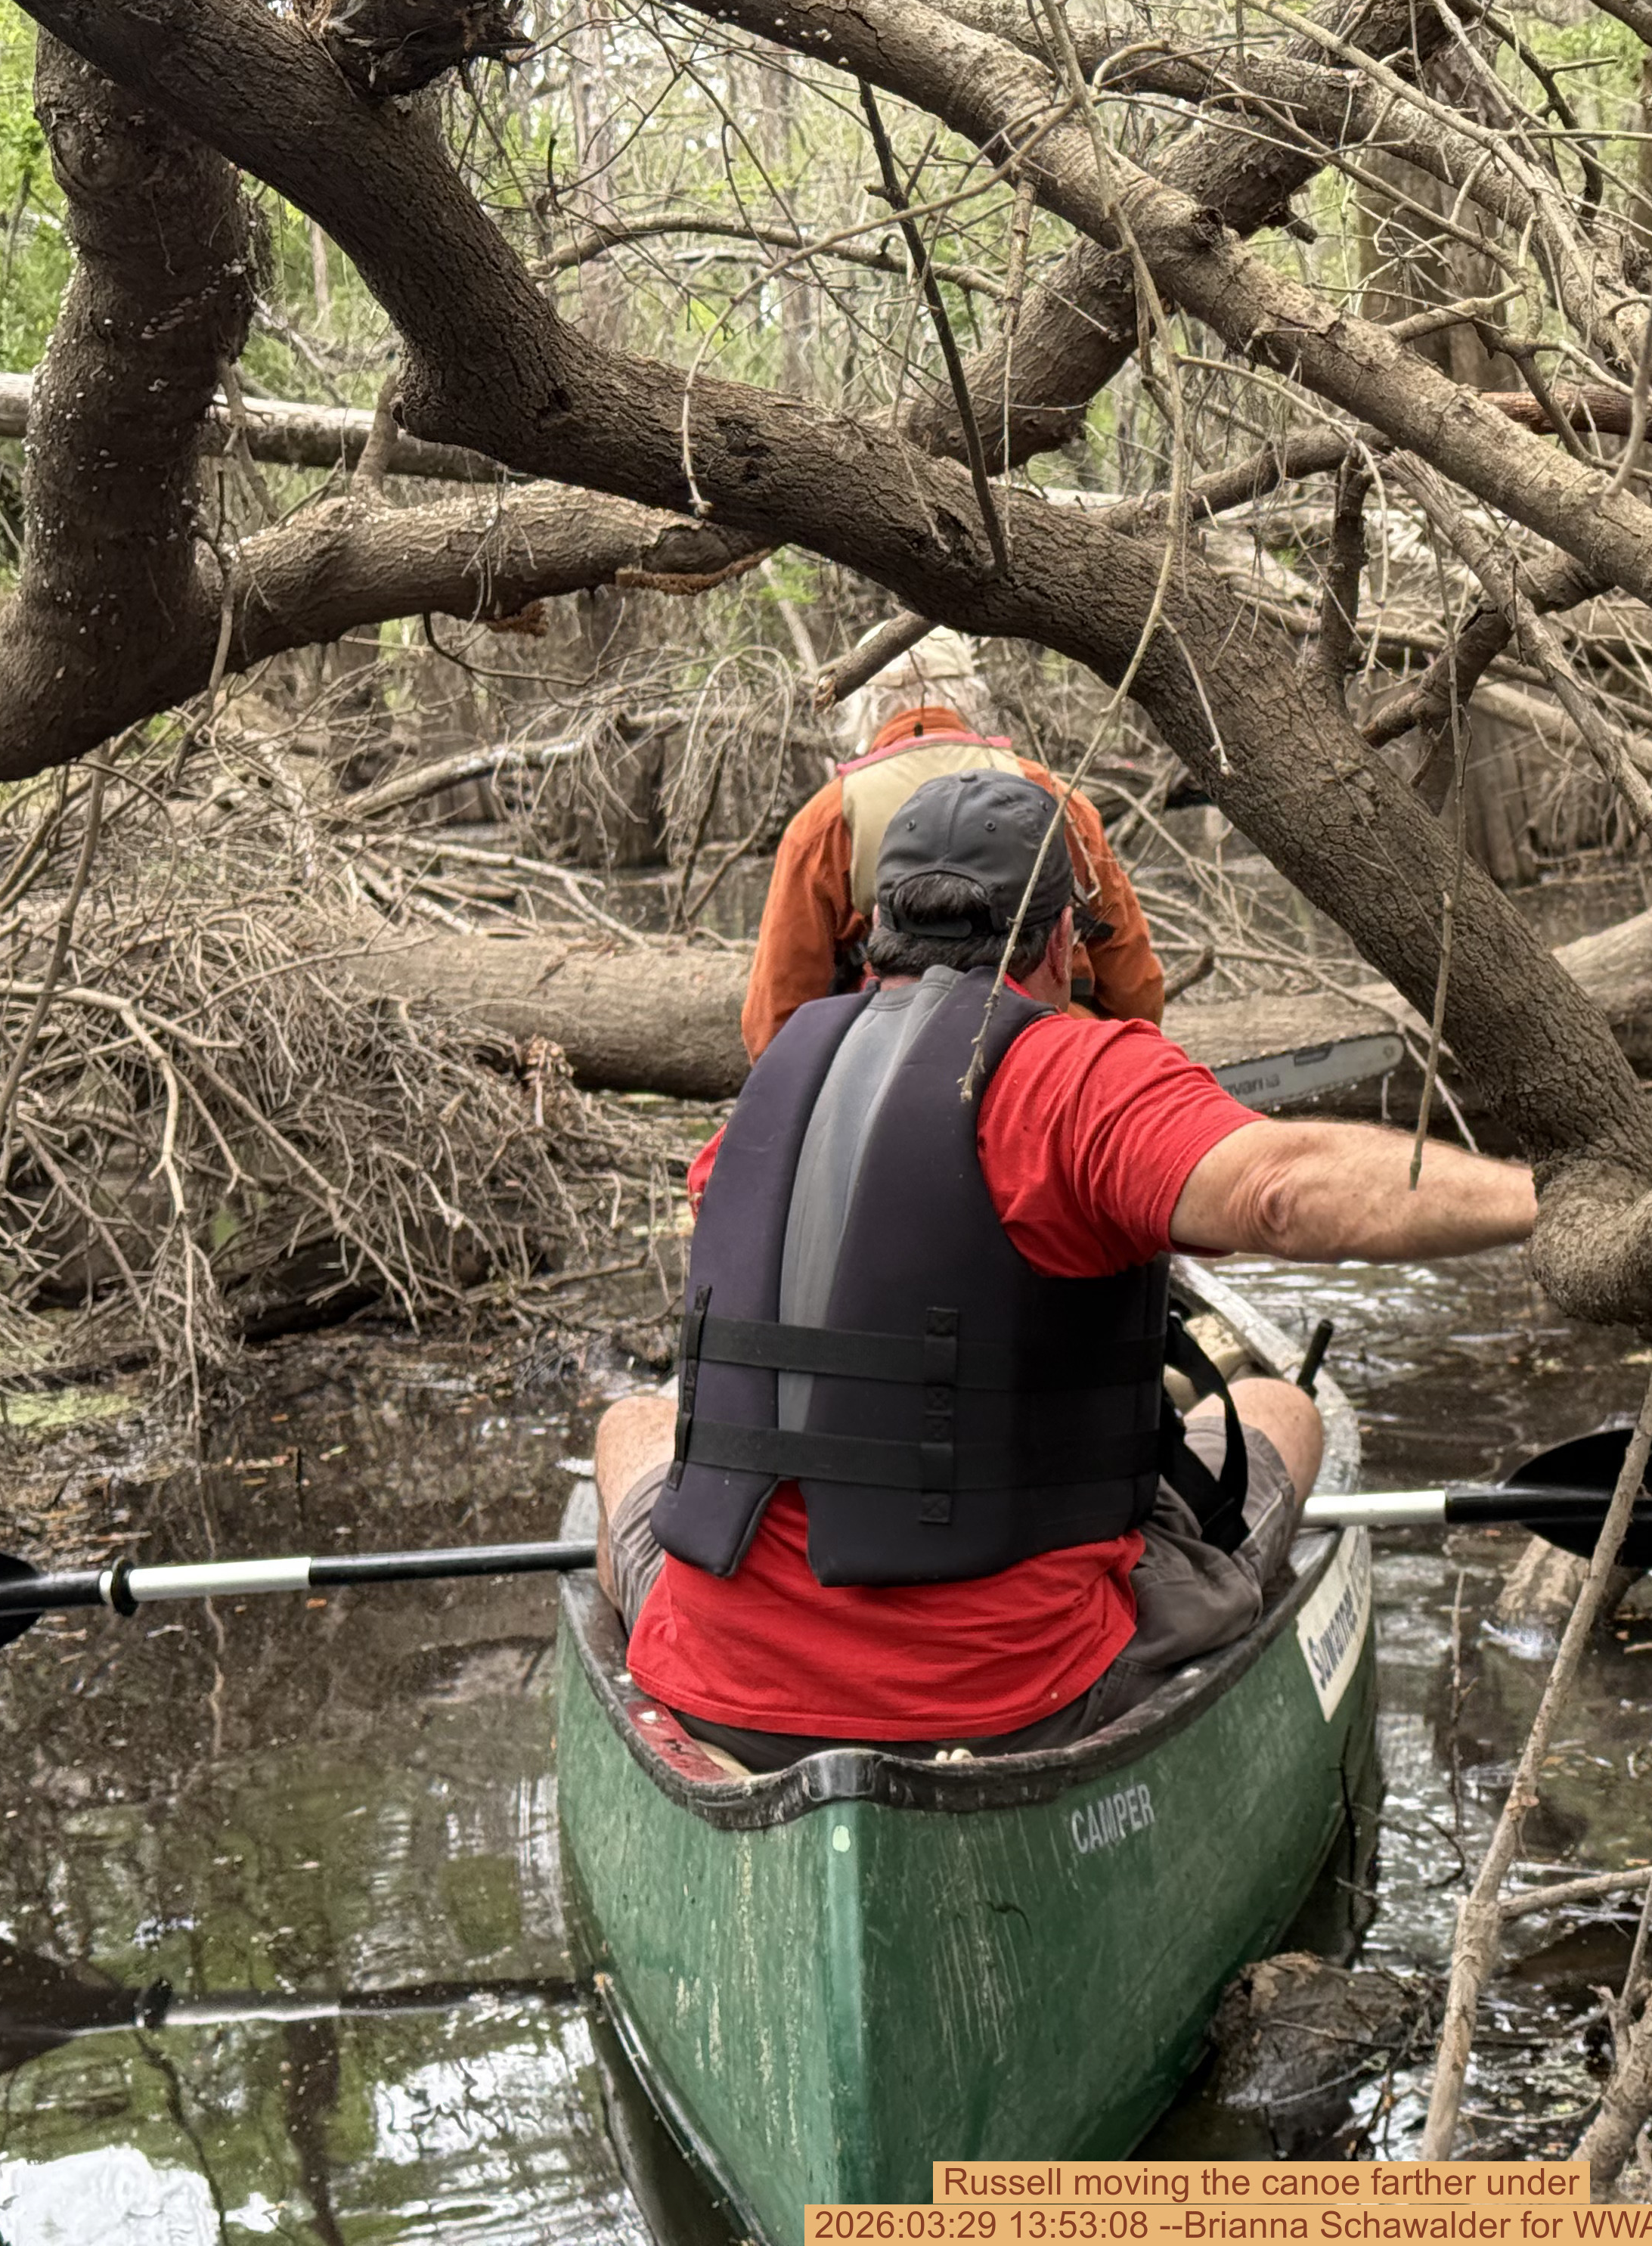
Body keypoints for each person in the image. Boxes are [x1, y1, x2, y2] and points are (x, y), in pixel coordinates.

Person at [598, 770, 1533, 1770]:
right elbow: (1280, 1193)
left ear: (875, 931)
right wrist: (1542, 1201)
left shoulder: (768, 1090)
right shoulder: (1073, 1077)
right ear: (1055, 944)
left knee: (633, 1424)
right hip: (1014, 1696)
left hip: (718, 1689)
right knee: (1281, 1412)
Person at [740, 628, 1163, 1065]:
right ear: (969, 695)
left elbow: (775, 1024)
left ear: (862, 705)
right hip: (1053, 1055)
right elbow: (1134, 986)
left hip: (889, 1066)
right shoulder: (1055, 798)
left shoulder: (826, 821)